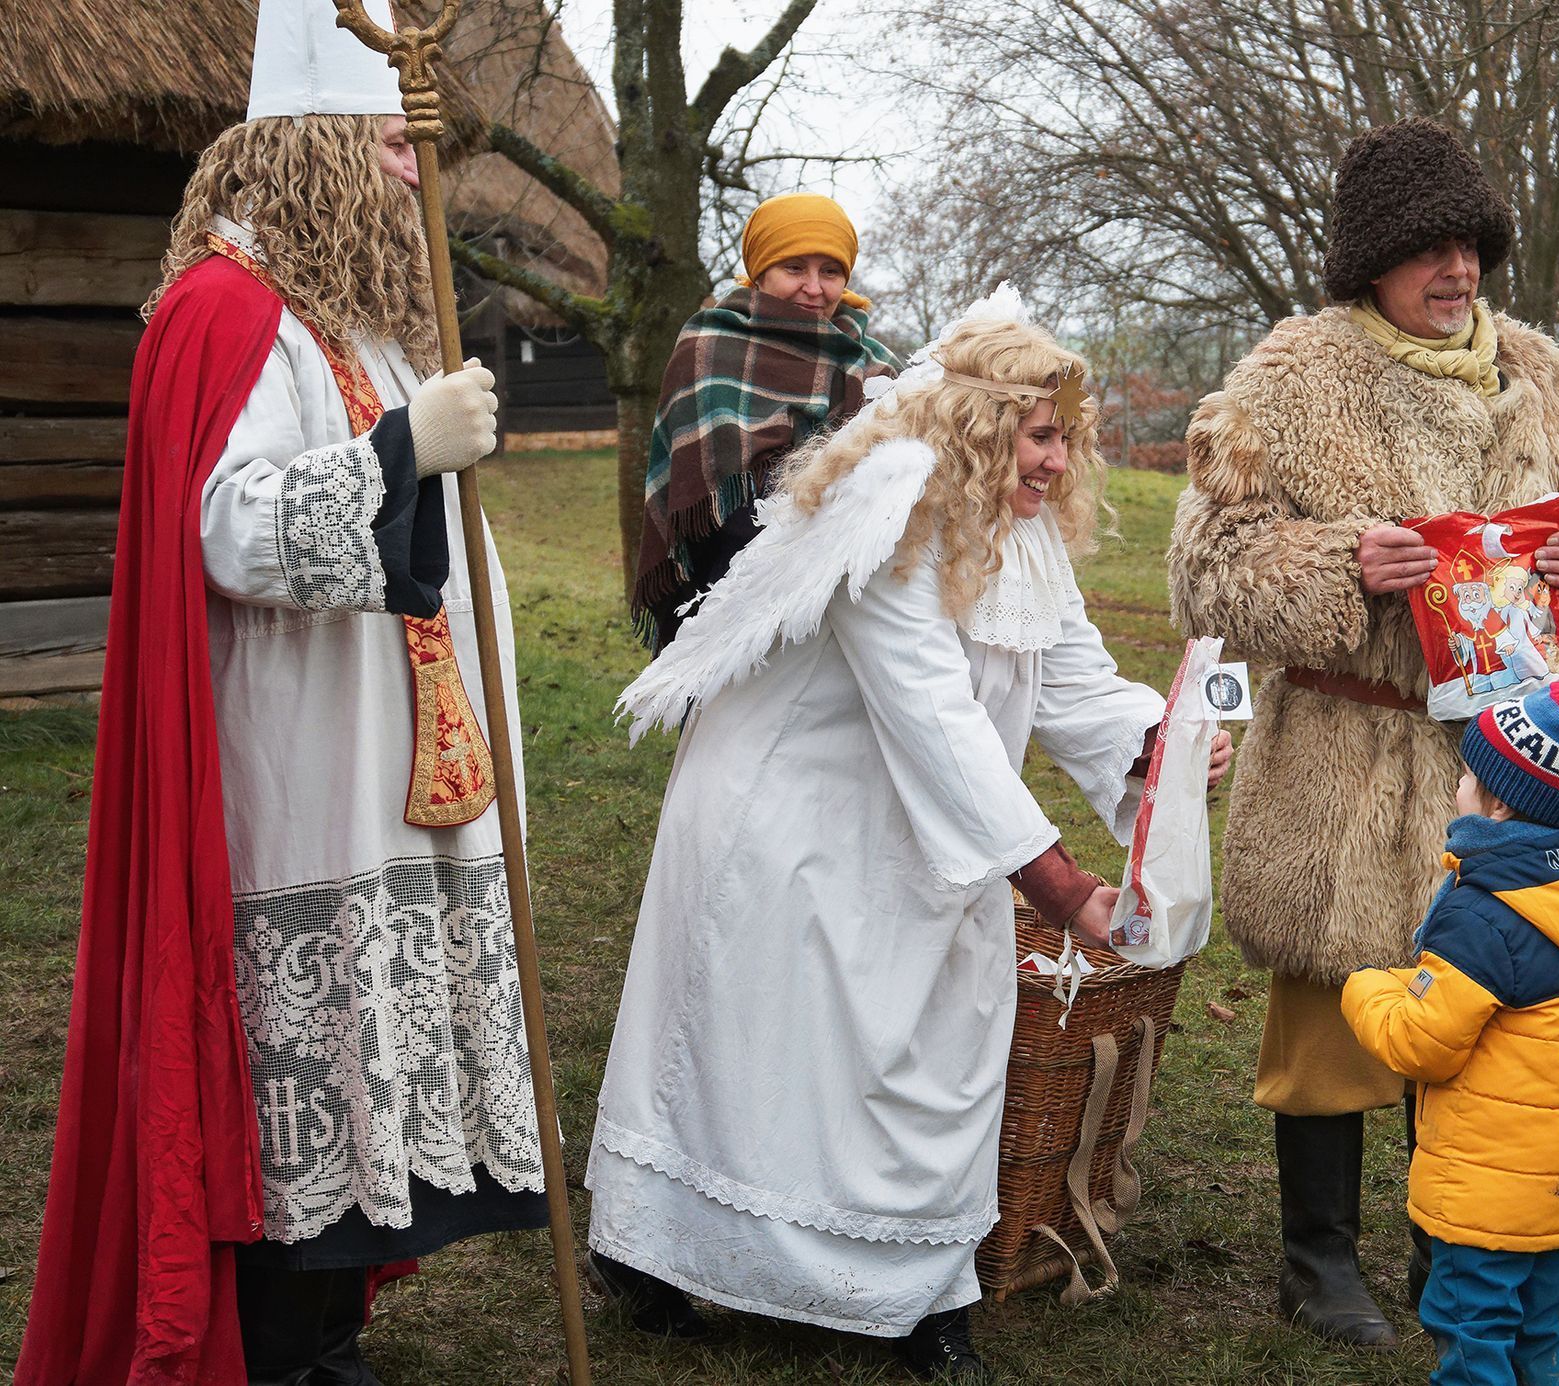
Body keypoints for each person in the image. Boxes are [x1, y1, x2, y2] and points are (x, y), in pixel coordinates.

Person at [15, 3, 545, 1382]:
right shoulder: (223, 306)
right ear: (307, 143)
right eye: (386, 147)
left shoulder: (362, 322)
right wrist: (396, 456)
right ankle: (271, 1345)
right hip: (289, 774)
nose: (414, 173)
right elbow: (232, 527)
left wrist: (413, 431)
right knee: (299, 1093)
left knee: (373, 1102)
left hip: (394, 753)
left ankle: (321, 1336)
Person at [586, 289, 1229, 1380]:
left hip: (916, 825)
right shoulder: (889, 514)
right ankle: (658, 1253)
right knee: (772, 1060)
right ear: (978, 427)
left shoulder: (1018, 534)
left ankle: (920, 1290)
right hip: (790, 823)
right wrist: (1064, 884)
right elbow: (931, 712)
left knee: (931, 1046)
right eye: (1038, 436)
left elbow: (1066, 671)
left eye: (1064, 439)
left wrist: (1152, 746)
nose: (1057, 464)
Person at [1166, 115, 1559, 1348]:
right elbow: (1205, 572)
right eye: (1426, 251)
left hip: (1496, 758)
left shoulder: (1542, 380)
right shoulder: (1288, 383)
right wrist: (1342, 559)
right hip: (1339, 749)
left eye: (1469, 249)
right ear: (1368, 262)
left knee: (1477, 1001)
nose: (1455, 273)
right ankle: (1317, 1261)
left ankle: (1452, 1236)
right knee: (1334, 1001)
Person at [1342, 676, 1559, 1385]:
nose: (1458, 788)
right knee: (1540, 1332)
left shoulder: (1483, 913)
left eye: (1468, 775)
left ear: (1498, 803)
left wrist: (1365, 988)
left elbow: (1422, 1044)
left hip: (1483, 1198)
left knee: (1473, 1337)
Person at [631, 191, 903, 651]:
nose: (814, 288)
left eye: (830, 271)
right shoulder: (710, 347)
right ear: (760, 272)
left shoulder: (872, 362)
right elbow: (720, 503)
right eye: (794, 268)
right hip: (730, 592)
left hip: (854, 595)